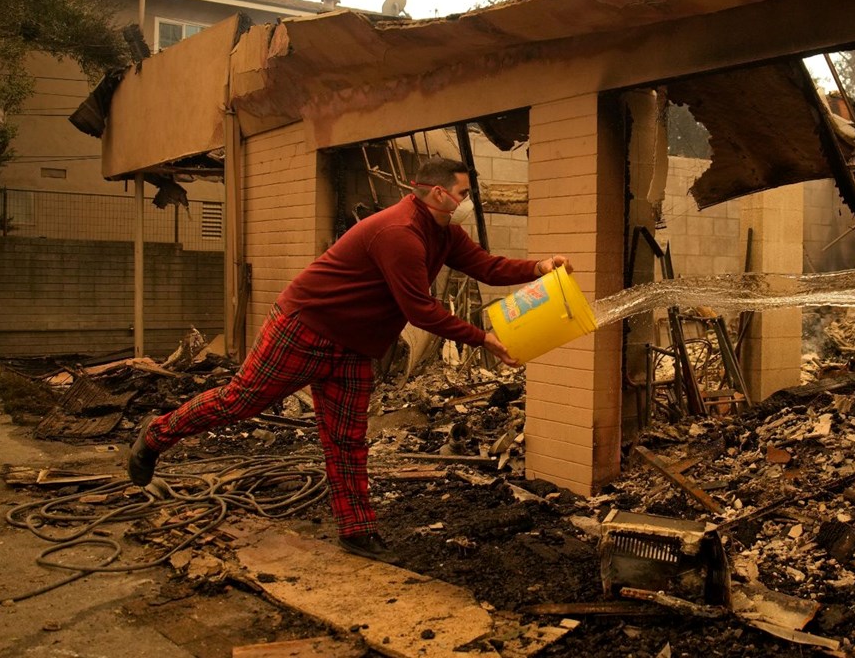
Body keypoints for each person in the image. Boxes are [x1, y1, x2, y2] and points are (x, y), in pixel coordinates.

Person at [127, 157, 571, 561]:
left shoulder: (445, 232)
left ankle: (356, 530)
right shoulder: (399, 233)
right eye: (463, 194)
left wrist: (537, 268)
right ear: (438, 194)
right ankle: (157, 435)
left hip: (355, 345)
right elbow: (420, 308)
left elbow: (488, 267)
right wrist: (483, 339)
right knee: (241, 402)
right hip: (305, 329)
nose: (466, 202)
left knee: (347, 439)